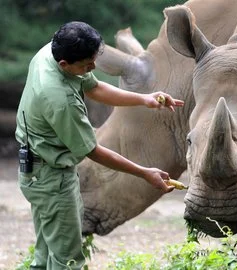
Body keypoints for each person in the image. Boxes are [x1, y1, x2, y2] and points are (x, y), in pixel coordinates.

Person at [15, 21, 184, 270]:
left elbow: (94, 87)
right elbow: (92, 151)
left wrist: (144, 99)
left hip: (34, 171)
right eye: (87, 65)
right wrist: (144, 173)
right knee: (67, 261)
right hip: (51, 179)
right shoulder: (59, 98)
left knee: (45, 258)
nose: (92, 68)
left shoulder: (50, 52)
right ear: (65, 65)